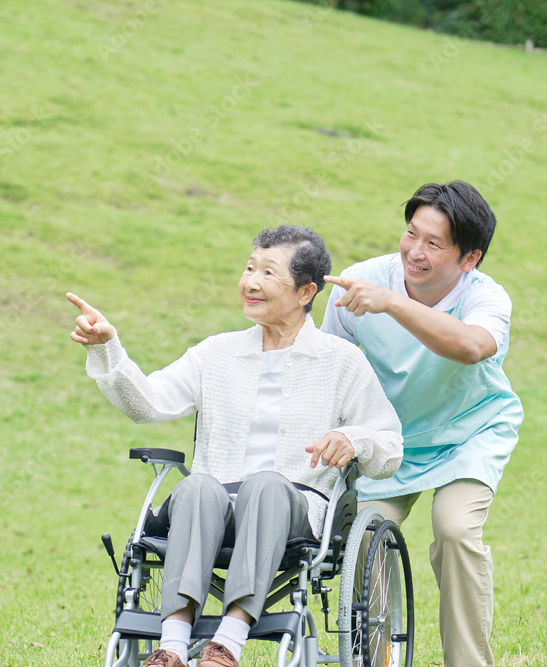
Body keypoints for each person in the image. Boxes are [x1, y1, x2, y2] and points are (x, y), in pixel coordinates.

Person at [68, 225, 402, 667]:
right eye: (249, 268)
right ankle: (171, 648)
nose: (251, 282)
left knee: (265, 484)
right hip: (211, 508)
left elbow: (389, 445)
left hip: (294, 510)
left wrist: (352, 438)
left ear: (306, 291)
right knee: (198, 486)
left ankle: (227, 642)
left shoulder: (340, 362)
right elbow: (148, 402)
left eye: (268, 272)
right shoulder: (216, 354)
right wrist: (109, 347)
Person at [320, 181, 523, 667]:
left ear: (469, 258)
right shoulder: (360, 281)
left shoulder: (487, 298)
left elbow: (471, 347)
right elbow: (329, 370)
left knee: (453, 529)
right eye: (412, 234)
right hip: (390, 437)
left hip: (469, 433)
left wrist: (392, 303)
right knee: (367, 537)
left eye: (434, 244)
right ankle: (379, 658)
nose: (416, 251)